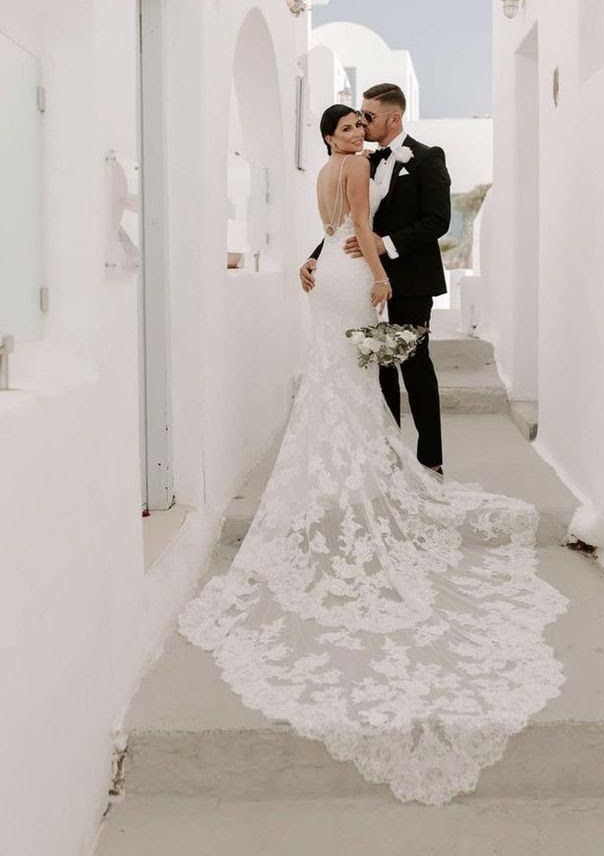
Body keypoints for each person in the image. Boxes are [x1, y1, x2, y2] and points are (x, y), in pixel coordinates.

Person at [178, 102, 568, 805]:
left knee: (343, 374)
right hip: (353, 273)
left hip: (329, 269)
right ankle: (379, 469)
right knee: (360, 372)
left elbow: (344, 227)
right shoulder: (356, 166)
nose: (361, 132)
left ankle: (382, 461)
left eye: (366, 123)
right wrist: (381, 276)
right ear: (334, 136)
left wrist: (327, 256)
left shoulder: (332, 169)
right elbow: (358, 224)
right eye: (351, 126)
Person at [300, 84, 449, 473]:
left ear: (393, 118)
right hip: (358, 280)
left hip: (410, 280)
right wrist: (316, 257)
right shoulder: (359, 160)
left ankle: (430, 461)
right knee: (375, 370)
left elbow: (438, 221)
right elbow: (351, 220)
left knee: (415, 367)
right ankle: (388, 461)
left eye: (368, 117)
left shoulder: (427, 158)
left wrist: (387, 246)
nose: (362, 123)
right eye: (357, 118)